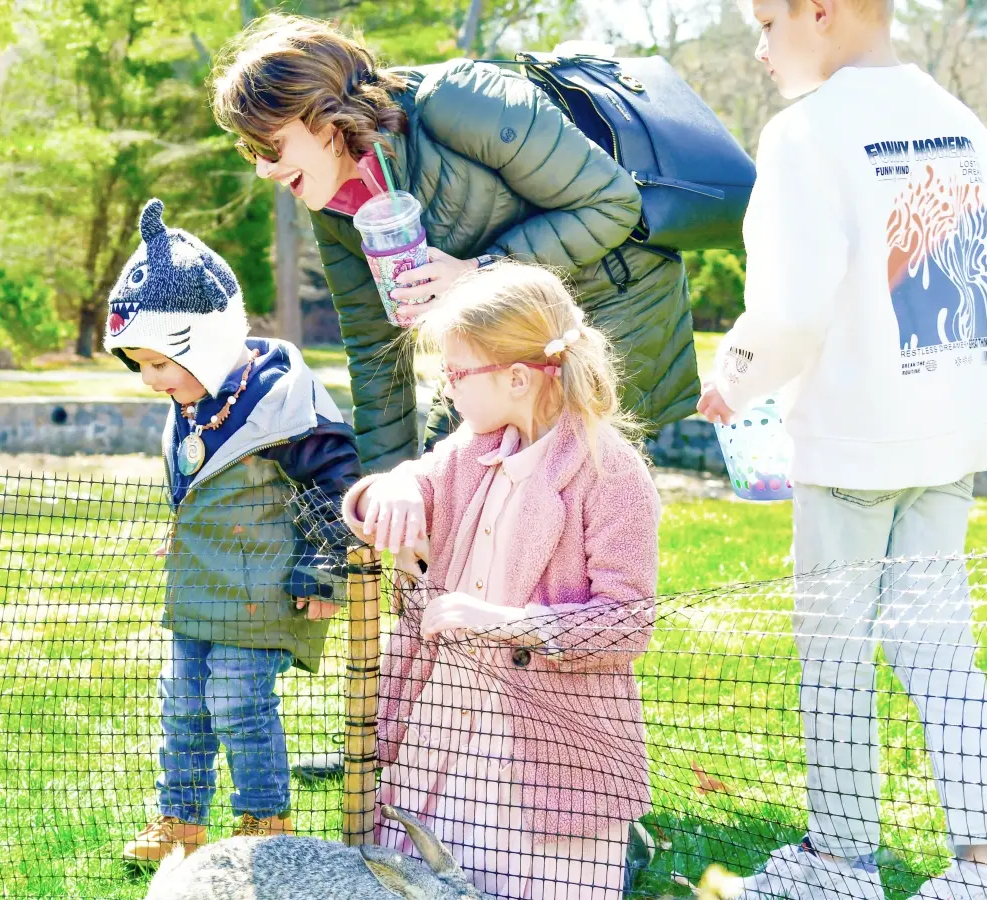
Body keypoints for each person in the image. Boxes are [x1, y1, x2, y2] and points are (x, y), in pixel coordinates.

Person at [697, 2, 987, 899]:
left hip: (850, 447)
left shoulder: (807, 133)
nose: (760, 47)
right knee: (940, 648)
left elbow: (792, 308)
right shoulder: (967, 129)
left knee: (835, 655)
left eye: (768, 22)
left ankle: (839, 862)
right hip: (949, 435)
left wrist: (732, 375)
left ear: (822, 12)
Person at [211, 15, 700, 475]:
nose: (261, 168)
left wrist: (482, 272)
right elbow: (375, 350)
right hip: (493, 341)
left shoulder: (456, 102)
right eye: (249, 149)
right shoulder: (331, 202)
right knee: (446, 489)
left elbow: (613, 204)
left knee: (564, 512)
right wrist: (391, 492)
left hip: (607, 307)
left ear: (323, 116)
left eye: (269, 146)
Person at [345, 262, 659, 900]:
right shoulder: (474, 446)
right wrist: (394, 486)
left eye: (455, 373)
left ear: (517, 378)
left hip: (548, 745)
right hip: (447, 726)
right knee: (425, 876)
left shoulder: (611, 472)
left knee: (527, 880)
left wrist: (507, 623)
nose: (446, 388)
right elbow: (402, 489)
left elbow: (627, 623)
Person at [103, 199, 362, 863]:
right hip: (204, 583)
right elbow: (205, 481)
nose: (151, 380)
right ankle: (180, 825)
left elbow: (338, 484)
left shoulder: (279, 401)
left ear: (208, 341)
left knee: (237, 700)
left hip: (264, 587)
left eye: (160, 362)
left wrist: (325, 568)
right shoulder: (194, 404)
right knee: (184, 703)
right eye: (141, 364)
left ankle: (262, 825)